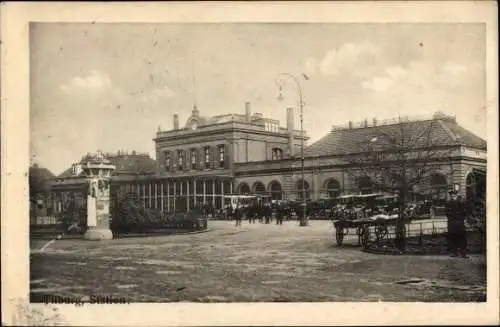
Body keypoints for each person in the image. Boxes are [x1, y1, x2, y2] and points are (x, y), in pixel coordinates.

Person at [445, 191, 468, 258]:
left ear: (457, 195)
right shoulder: (448, 203)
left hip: (460, 223)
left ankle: (463, 253)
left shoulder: (461, 202)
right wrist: (451, 218)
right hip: (452, 223)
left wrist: (460, 218)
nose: (453, 196)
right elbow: (447, 213)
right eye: (451, 195)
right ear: (450, 196)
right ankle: (454, 252)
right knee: (452, 237)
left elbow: (464, 212)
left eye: (454, 195)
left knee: (461, 237)